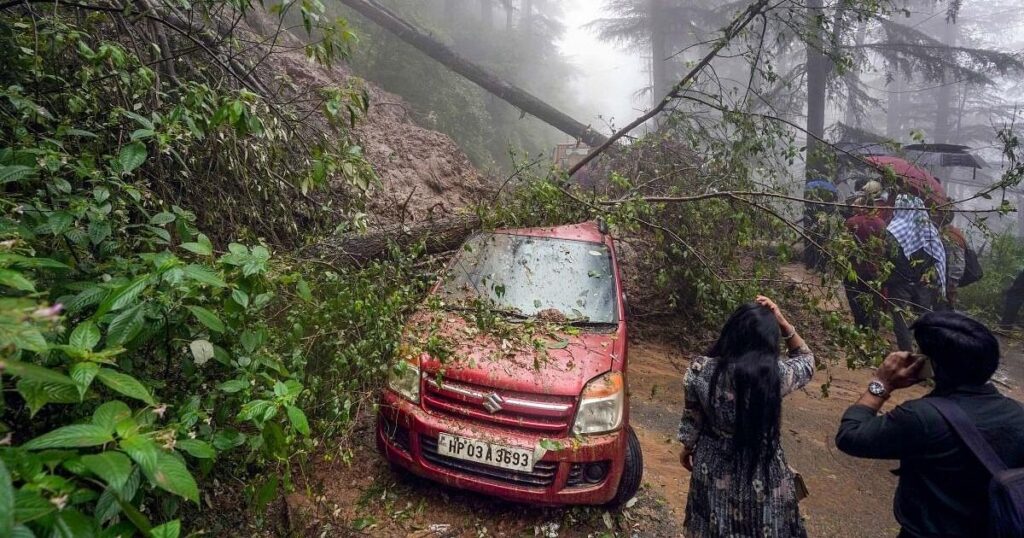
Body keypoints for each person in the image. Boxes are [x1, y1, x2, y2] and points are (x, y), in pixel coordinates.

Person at [835, 311, 1024, 537]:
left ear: (929, 365)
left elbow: (850, 436)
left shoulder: (922, 417)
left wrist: (881, 383)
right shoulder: (1016, 413)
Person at [678, 296, 814, 537]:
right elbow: (807, 361)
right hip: (762, 467)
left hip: (712, 465)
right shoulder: (774, 377)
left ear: (730, 332)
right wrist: (784, 324)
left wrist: (687, 447)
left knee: (712, 525)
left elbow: (692, 417)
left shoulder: (700, 370)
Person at [885, 194, 946, 351]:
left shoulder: (893, 230)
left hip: (899, 283)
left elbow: (889, 257)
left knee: (901, 321)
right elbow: (937, 257)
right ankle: (924, 355)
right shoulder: (930, 231)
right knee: (923, 320)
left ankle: (907, 355)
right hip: (923, 283)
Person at [803, 178, 839, 271]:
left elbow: (807, 212)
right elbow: (831, 212)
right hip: (823, 225)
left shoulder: (810, 201)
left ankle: (810, 264)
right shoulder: (830, 200)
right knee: (821, 244)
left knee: (810, 243)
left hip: (812, 224)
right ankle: (820, 266)